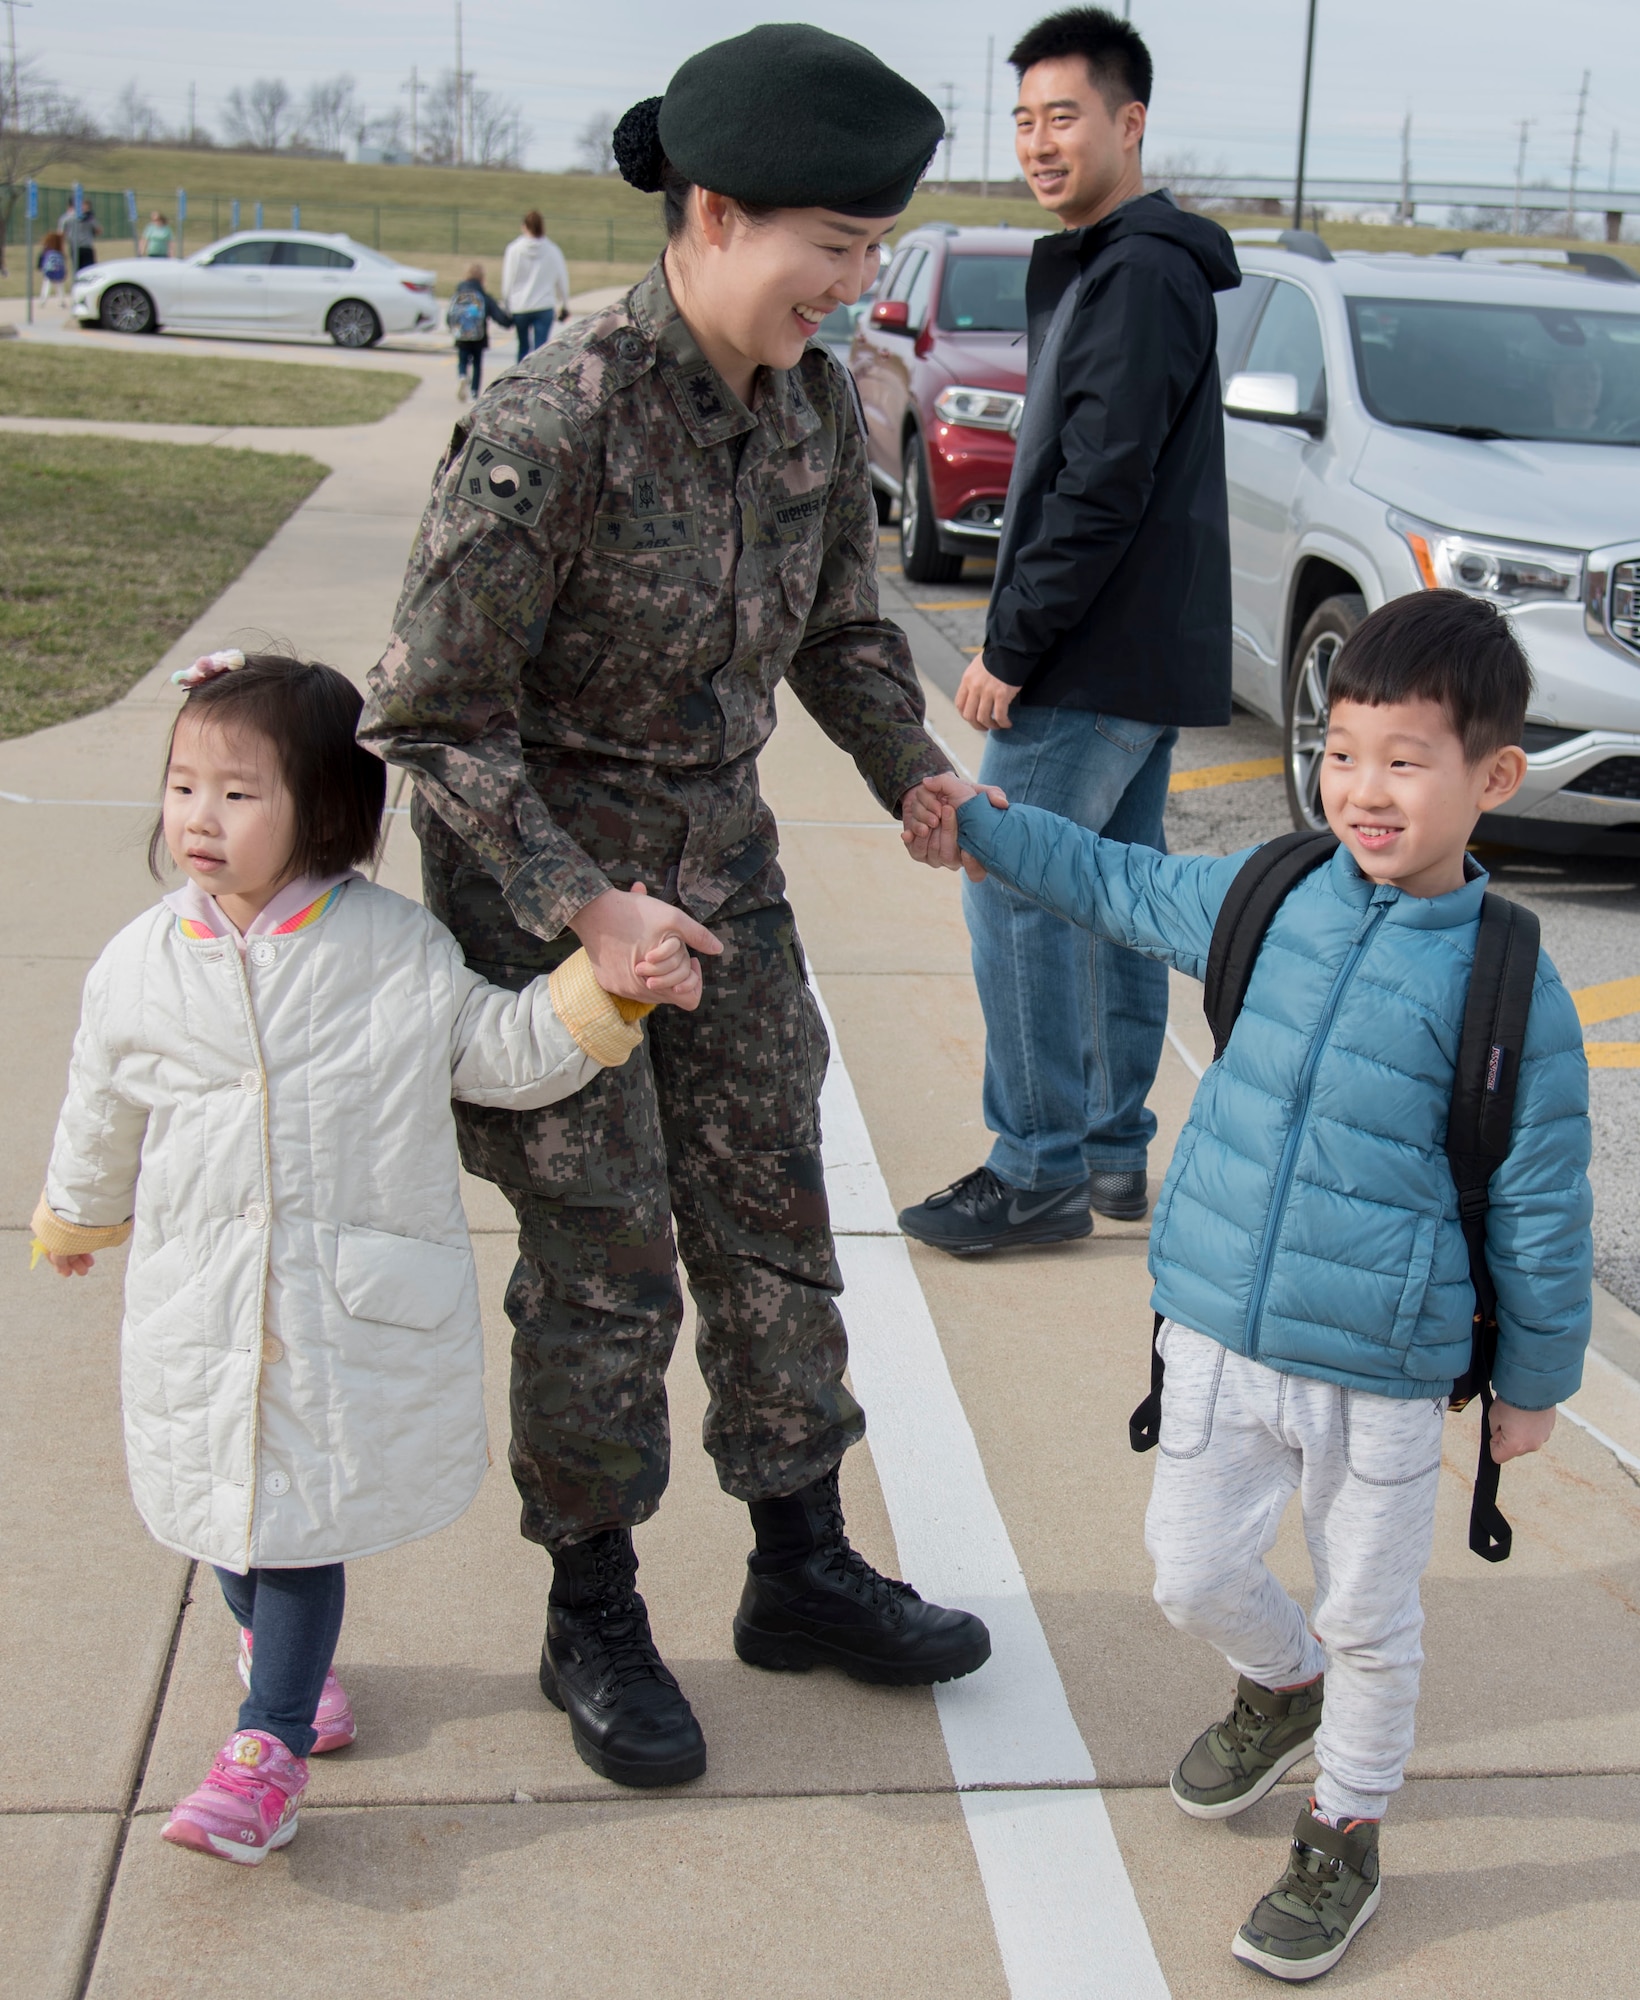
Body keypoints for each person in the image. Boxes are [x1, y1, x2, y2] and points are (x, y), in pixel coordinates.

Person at [360, 23, 990, 1794]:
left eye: (871, 256)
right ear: (711, 214)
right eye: (832, 251)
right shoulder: (549, 423)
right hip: (547, 910)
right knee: (608, 1274)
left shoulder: (803, 404)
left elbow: (846, 635)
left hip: (729, 880)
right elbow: (426, 716)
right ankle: (596, 1607)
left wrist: (911, 771)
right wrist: (582, 907)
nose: (852, 291)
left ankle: (799, 1566)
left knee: (778, 1222)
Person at [903, 588, 1592, 1982]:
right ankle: (1283, 1688)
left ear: (1492, 778)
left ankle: (1344, 1829)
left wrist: (1531, 1387)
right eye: (1342, 751)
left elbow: (1540, 1204)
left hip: (1385, 1370)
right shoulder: (1270, 893)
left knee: (1372, 1618)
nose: (1364, 788)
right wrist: (979, 824)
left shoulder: (1515, 984)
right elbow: (1115, 881)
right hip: (1218, 1326)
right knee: (1190, 1571)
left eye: (1406, 759)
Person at [32, 650, 694, 1864]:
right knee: (225, 1515)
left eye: (238, 792)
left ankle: (266, 1743)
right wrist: (80, 1211)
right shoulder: (140, 959)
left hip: (335, 1310)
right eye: (182, 786)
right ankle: (274, 1656)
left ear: (329, 808)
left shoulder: (391, 948)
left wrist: (600, 994)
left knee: (290, 1523)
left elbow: (495, 1051)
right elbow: (102, 1094)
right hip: (201, 1298)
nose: (198, 817)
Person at [897, 6, 1240, 1257]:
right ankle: (1103, 1153)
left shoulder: (1137, 270)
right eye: (1025, 120)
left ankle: (1033, 1165)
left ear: (1127, 121)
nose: (1040, 143)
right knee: (1115, 898)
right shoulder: (1122, 262)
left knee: (1015, 886)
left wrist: (1012, 646)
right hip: (1130, 654)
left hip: (1088, 654)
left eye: (1065, 117)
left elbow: (1098, 481)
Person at [501, 210, 571, 361]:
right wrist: (564, 303)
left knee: (523, 347)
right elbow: (562, 278)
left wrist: (506, 304)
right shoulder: (552, 250)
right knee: (541, 349)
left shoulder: (514, 250)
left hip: (520, 305)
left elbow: (508, 279)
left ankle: (520, 382)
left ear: (524, 226)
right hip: (544, 305)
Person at [446, 262, 511, 402]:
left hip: (461, 335)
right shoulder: (483, 297)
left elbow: (449, 316)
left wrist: (452, 328)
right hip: (478, 337)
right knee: (477, 364)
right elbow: (499, 316)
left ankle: (462, 375)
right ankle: (474, 392)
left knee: (462, 360)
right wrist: (511, 321)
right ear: (482, 278)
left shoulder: (458, 294)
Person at [59, 197, 102, 272]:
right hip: (87, 246)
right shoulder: (89, 217)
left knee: (78, 271)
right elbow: (98, 231)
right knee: (90, 271)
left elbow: (61, 234)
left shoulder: (66, 218)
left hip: (74, 246)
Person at [37, 230, 68, 305]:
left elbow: (42, 259)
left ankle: (43, 301)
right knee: (59, 286)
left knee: (47, 285)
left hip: (49, 270)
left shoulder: (47, 251)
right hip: (59, 270)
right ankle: (61, 301)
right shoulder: (59, 252)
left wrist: (40, 267)